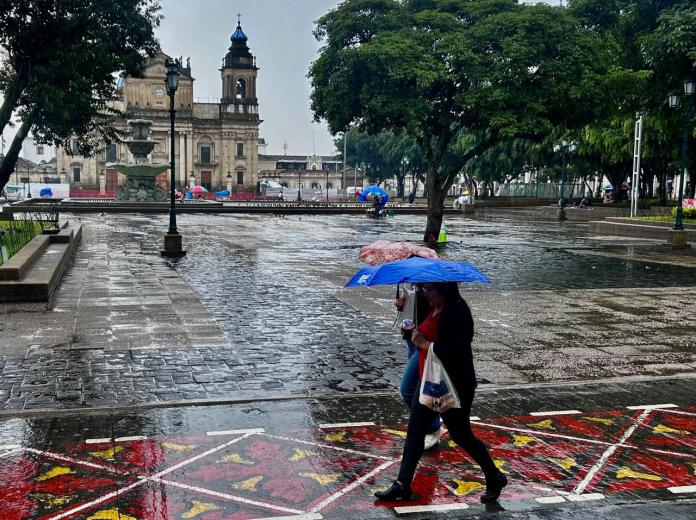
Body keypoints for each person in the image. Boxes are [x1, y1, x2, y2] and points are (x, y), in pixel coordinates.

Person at [376, 282, 507, 503]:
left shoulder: (458, 311)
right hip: (429, 381)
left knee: (461, 435)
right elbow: (425, 336)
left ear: (443, 289)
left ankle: (494, 476)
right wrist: (412, 335)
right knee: (415, 432)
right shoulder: (432, 307)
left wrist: (425, 343)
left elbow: (457, 348)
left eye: (428, 289)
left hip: (454, 385)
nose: (424, 292)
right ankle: (402, 485)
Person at [394, 285, 442, 449]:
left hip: (425, 342)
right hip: (412, 337)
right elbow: (411, 308)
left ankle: (433, 426)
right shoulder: (413, 285)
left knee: (407, 388)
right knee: (418, 386)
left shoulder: (433, 288)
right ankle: (423, 426)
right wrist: (402, 304)